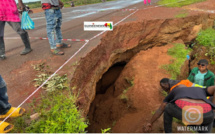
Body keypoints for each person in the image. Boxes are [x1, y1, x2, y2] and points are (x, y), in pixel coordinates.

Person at [144, 78, 215, 133]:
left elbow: (161, 109)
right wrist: (213, 108)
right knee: (204, 126)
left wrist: (150, 122)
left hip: (188, 113)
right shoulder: (199, 89)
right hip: (207, 114)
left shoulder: (175, 91)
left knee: (168, 107)